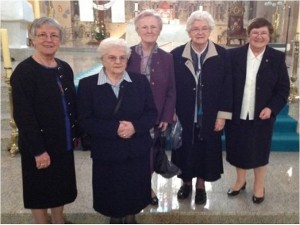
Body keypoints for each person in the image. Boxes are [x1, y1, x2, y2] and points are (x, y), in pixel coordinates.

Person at [76, 38, 157, 224]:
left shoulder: (140, 82)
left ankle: (130, 218)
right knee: (110, 189)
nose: (118, 62)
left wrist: (134, 127)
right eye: (112, 57)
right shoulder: (88, 85)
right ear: (102, 59)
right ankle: (114, 217)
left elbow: (151, 113)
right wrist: (115, 128)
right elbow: (84, 120)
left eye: (122, 57)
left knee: (134, 188)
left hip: (136, 149)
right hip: (106, 150)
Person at [10, 17, 78, 223]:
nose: (48, 39)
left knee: (60, 186)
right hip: (38, 144)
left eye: (54, 35)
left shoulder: (64, 68)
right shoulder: (24, 72)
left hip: (62, 141)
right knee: (39, 188)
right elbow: (23, 115)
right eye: (42, 35)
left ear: (60, 39)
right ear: (33, 39)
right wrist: (38, 150)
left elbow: (71, 104)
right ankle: (42, 222)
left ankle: (58, 219)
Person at [170, 10, 232, 205]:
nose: (199, 32)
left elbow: (227, 87)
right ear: (189, 31)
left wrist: (222, 116)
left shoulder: (222, 55)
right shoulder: (176, 54)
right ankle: (185, 183)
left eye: (204, 28)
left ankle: (201, 186)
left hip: (210, 114)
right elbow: (170, 87)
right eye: (195, 28)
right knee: (185, 149)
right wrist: (171, 111)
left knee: (206, 151)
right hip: (184, 113)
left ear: (210, 30)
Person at [225, 18, 290, 204]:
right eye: (255, 33)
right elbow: (226, 84)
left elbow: (283, 89)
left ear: (269, 37)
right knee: (237, 148)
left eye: (263, 33)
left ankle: (259, 185)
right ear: (248, 35)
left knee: (259, 150)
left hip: (263, 114)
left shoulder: (277, 58)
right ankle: (240, 181)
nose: (259, 36)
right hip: (237, 111)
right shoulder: (233, 55)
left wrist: (271, 108)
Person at [126, 9, 176, 206]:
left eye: (153, 26)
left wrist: (167, 114)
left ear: (159, 30)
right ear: (138, 30)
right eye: (144, 26)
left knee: (150, 154)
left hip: (154, 116)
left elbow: (171, 89)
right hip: (130, 117)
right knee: (131, 153)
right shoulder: (126, 54)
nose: (149, 30)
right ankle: (134, 187)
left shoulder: (167, 58)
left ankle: (146, 187)